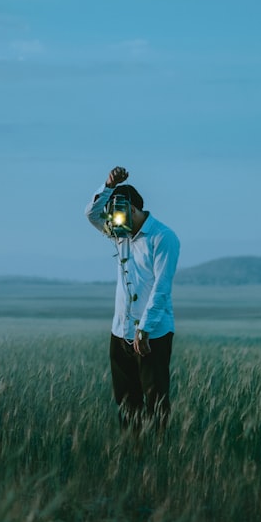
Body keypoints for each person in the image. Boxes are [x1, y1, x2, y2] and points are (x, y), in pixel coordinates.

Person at [85, 166, 180, 430]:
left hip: (153, 334)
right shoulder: (120, 234)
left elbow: (162, 288)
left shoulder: (163, 237)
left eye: (119, 212)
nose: (114, 220)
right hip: (120, 331)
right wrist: (107, 186)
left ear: (134, 209)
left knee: (156, 400)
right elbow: (91, 214)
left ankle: (161, 454)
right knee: (126, 401)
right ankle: (132, 451)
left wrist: (144, 330)